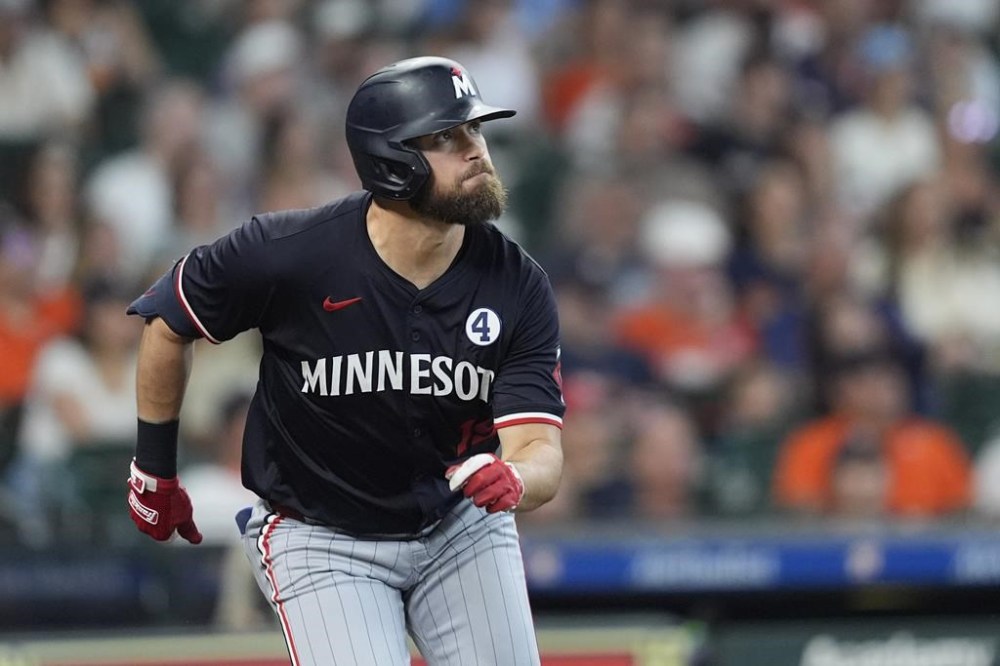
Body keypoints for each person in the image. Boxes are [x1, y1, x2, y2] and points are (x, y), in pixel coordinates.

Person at [124, 56, 565, 666]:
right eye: (445, 137)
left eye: (475, 130)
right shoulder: (289, 253)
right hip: (323, 536)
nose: (475, 150)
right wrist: (154, 468)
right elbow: (169, 321)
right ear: (391, 162)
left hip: (458, 526)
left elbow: (540, 450)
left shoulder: (517, 284)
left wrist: (516, 480)